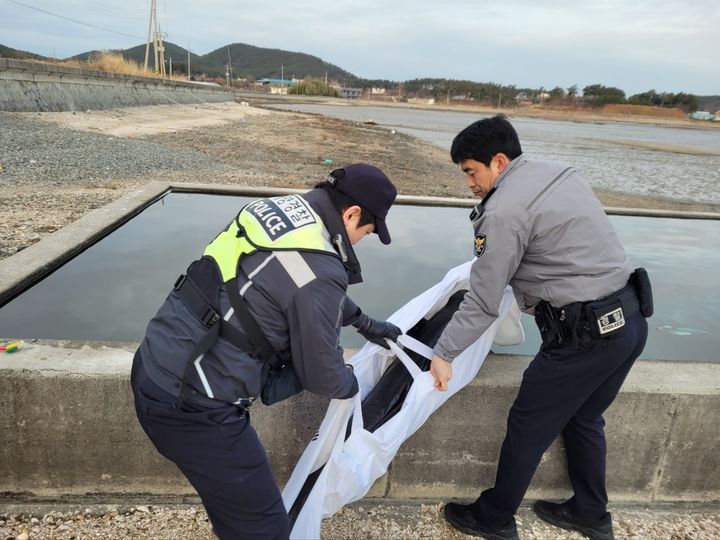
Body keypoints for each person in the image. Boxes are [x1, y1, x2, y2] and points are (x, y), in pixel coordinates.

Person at [130, 163, 402, 540]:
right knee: (265, 529)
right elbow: (323, 375)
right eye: (367, 232)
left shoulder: (280, 212)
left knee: (235, 509)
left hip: (154, 365)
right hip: (196, 411)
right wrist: (355, 385)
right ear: (352, 213)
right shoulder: (321, 267)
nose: (362, 240)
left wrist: (365, 323)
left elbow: (297, 288)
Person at [429, 115, 652, 540]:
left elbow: (483, 299)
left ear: (498, 161)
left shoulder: (503, 213)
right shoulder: (560, 172)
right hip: (630, 319)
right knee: (585, 418)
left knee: (527, 426)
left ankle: (493, 517)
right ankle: (590, 512)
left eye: (471, 172)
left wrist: (444, 354)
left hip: (583, 336)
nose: (470, 184)